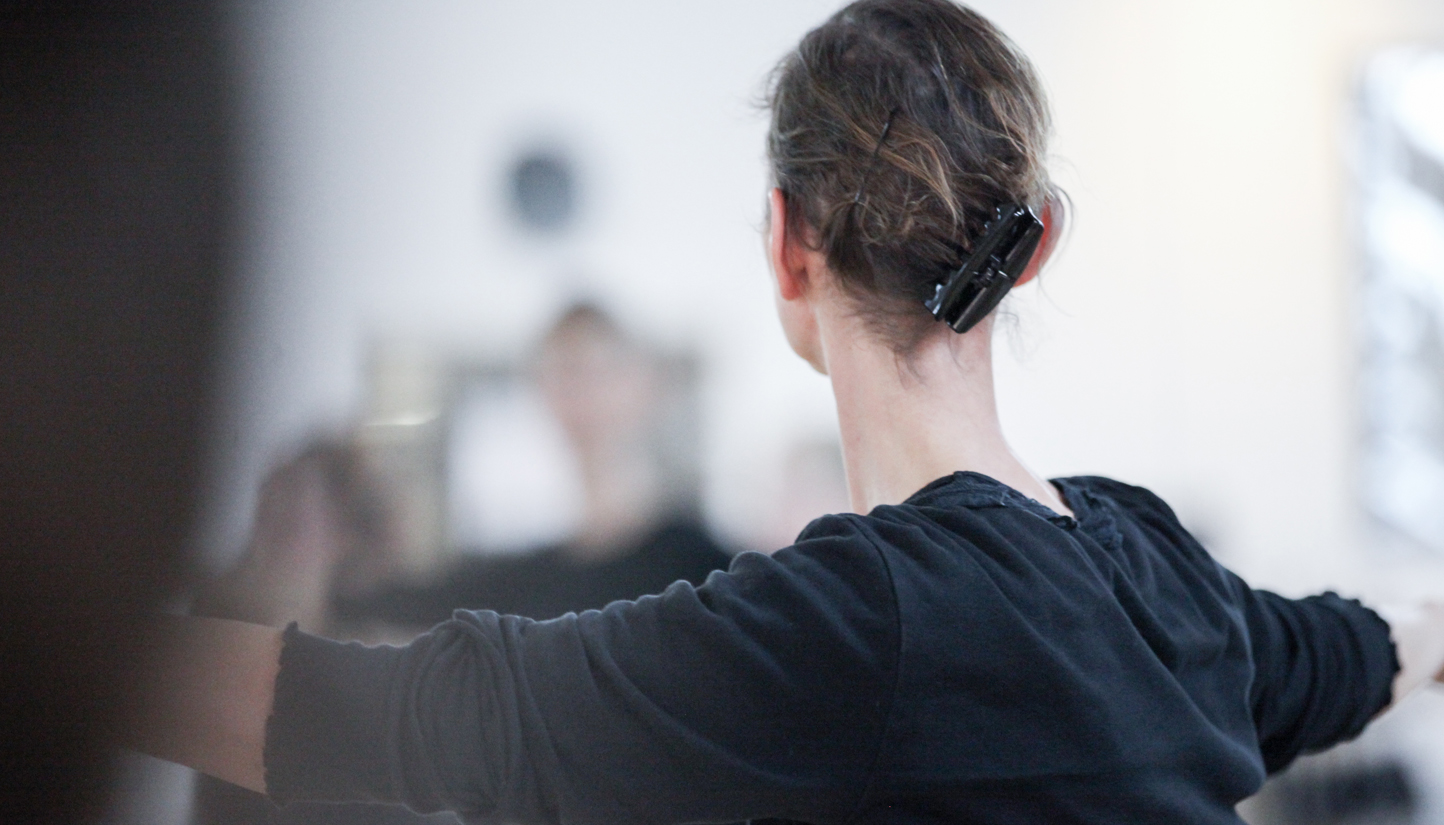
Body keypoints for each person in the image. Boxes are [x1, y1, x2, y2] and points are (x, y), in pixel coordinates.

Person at [132, 1, 1444, 823]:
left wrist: (72, 659)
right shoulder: (1161, 571)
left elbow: (418, 720)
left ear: (786, 244)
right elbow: (1365, 647)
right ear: (1032, 245)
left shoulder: (853, 628)